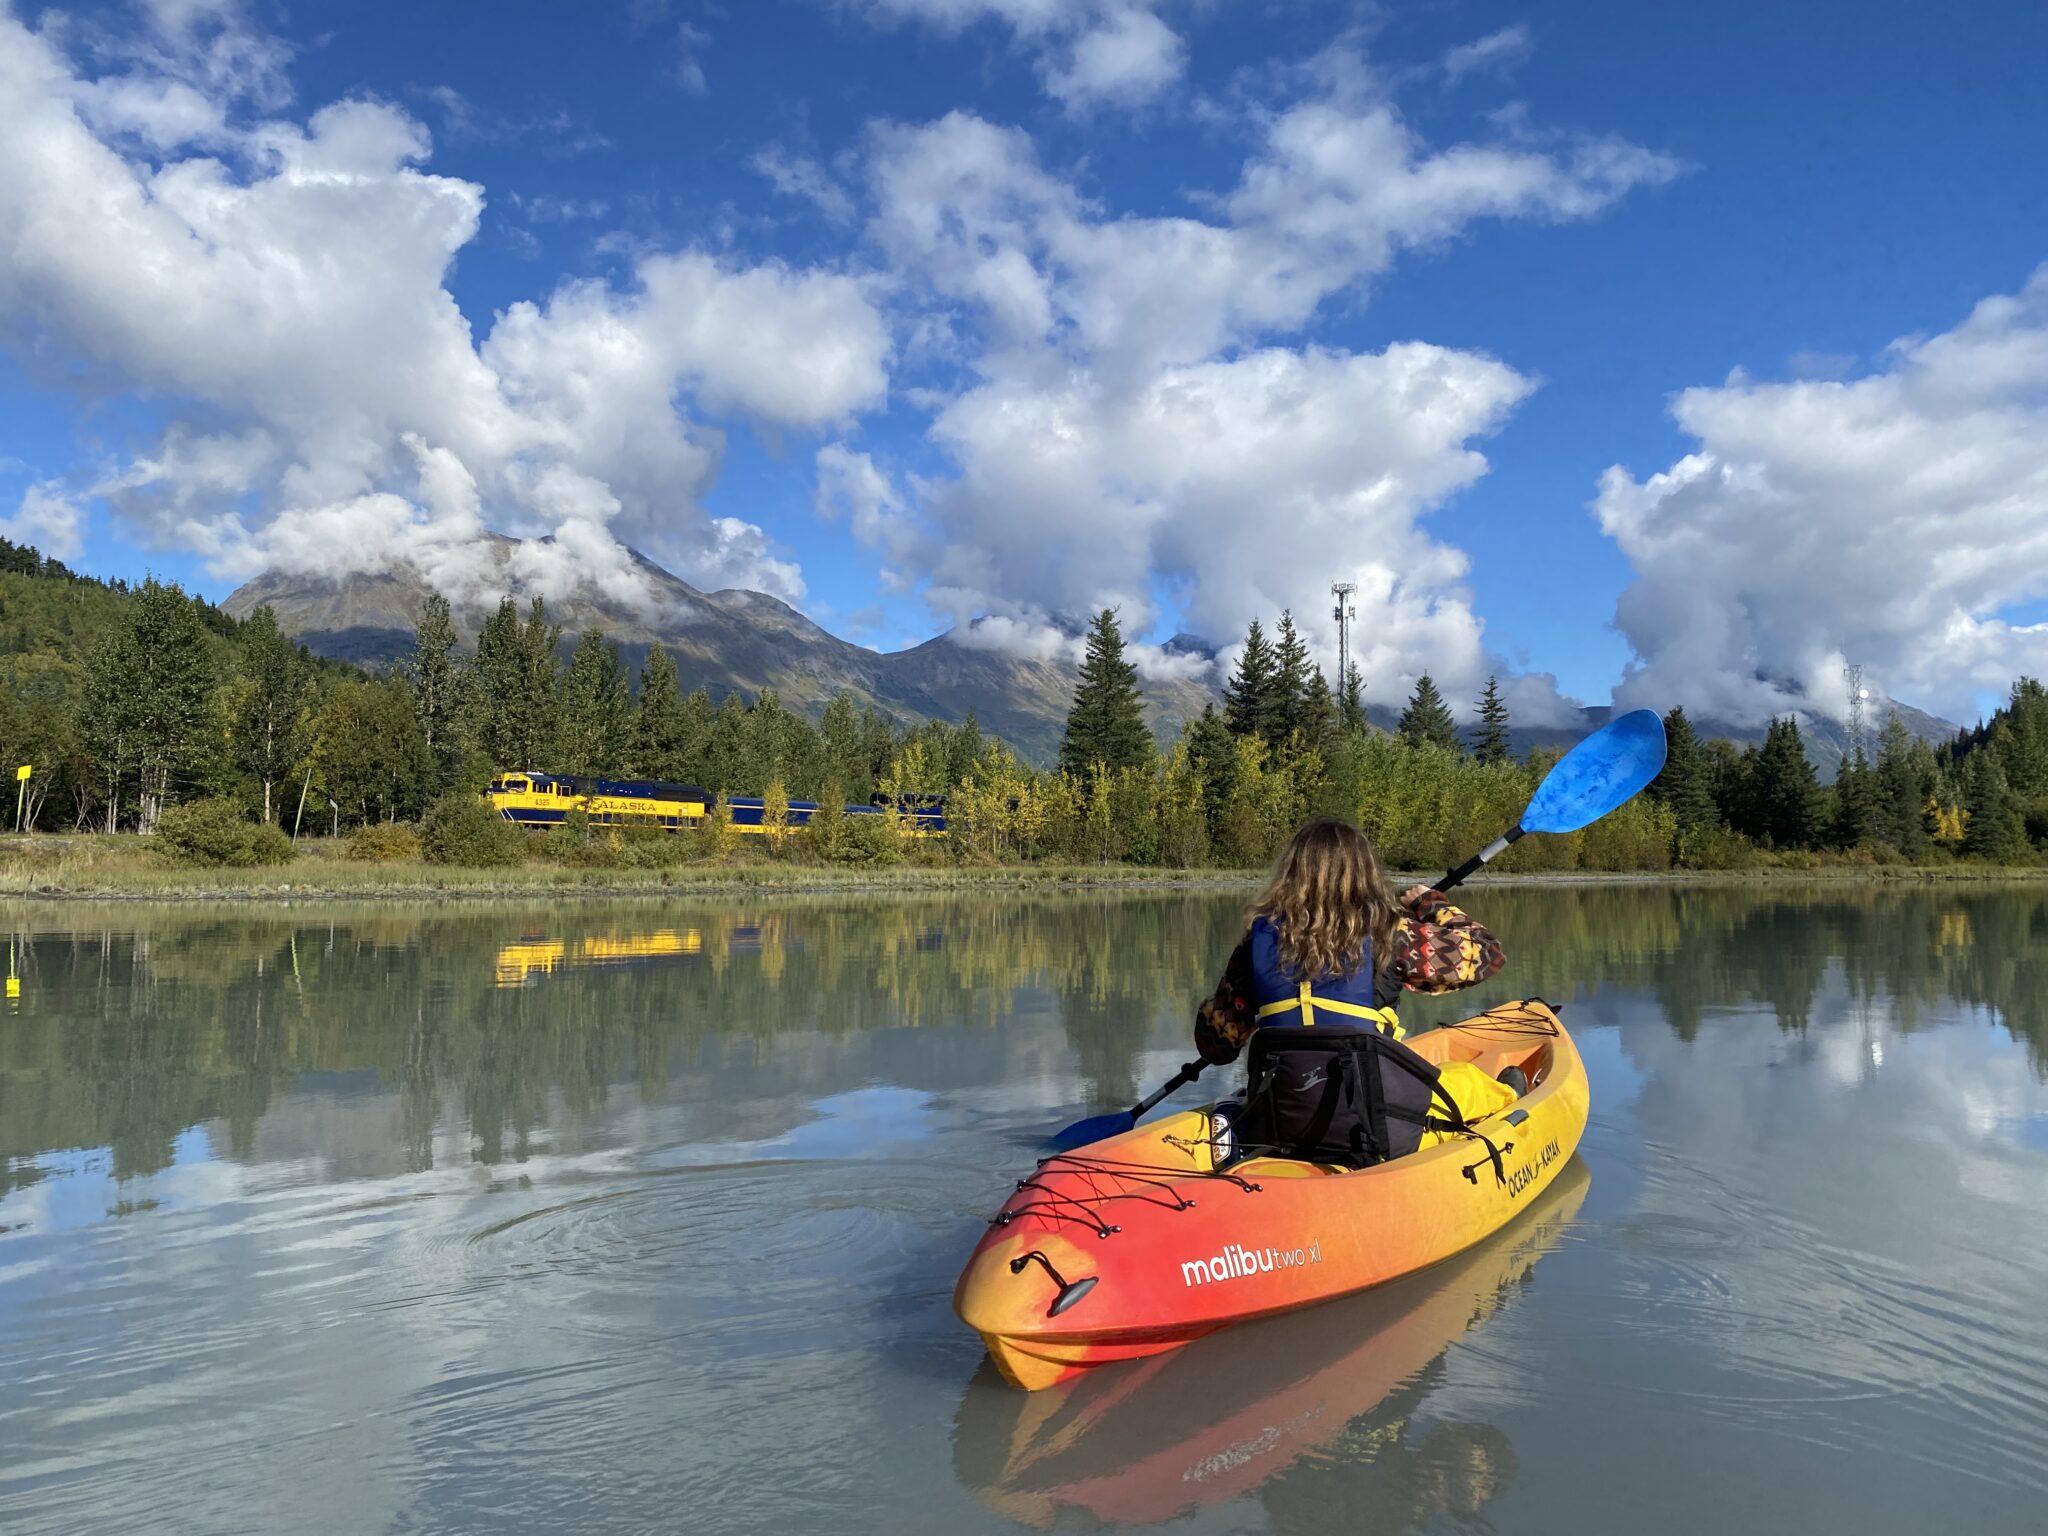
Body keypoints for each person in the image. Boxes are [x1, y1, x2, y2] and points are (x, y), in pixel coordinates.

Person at [1194, 817, 1517, 1166]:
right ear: (1365, 873)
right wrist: (1430, 903)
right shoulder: (1392, 936)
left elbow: (1215, 1048)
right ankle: (1514, 1094)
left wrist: (1229, 1001)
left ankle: (1235, 1118)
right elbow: (1487, 954)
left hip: (1281, 1122)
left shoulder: (1255, 942)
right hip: (1375, 1127)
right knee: (1470, 1081)